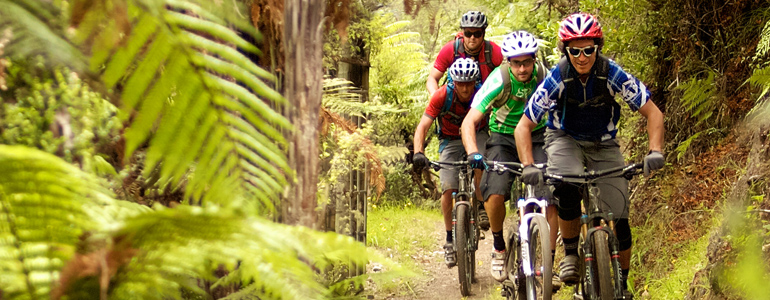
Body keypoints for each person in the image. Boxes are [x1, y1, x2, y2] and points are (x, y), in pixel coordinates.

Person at [513, 13, 665, 298]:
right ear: (565, 51)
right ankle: (570, 253)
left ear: (598, 47)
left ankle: (621, 283)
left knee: (619, 217)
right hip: (564, 137)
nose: (581, 57)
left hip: (603, 143)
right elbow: (524, 126)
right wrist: (528, 165)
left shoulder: (612, 73)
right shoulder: (557, 77)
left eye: (588, 49)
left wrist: (655, 150)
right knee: (567, 182)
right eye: (574, 50)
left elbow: (653, 112)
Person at [460, 31, 560, 288]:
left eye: (527, 62)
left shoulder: (544, 75)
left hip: (537, 136)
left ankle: (549, 263)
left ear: (534, 60)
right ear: (508, 62)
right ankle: (498, 246)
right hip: (503, 139)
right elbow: (469, 121)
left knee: (550, 196)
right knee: (494, 193)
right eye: (516, 63)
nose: (522, 68)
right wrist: (473, 152)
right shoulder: (499, 79)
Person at [413, 58, 490, 268]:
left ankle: (481, 204)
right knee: (448, 190)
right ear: (453, 82)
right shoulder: (442, 96)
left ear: (475, 82)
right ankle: (449, 240)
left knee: (479, 162)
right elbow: (422, 127)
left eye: (469, 83)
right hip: (449, 140)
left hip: (477, 134)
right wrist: (418, 152)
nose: (465, 88)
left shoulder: (483, 92)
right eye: (460, 83)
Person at [426, 11, 503, 96]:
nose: (472, 38)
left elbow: (508, 77)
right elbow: (432, 78)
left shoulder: (493, 51)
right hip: (454, 101)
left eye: (477, 34)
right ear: (463, 33)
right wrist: (435, 96)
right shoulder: (450, 49)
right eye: (468, 33)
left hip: (485, 100)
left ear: (483, 34)